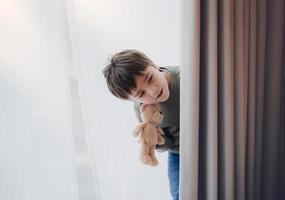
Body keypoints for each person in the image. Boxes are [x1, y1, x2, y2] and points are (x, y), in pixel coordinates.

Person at [102, 49, 180, 200]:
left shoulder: (182, 77)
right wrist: (158, 140)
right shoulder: (143, 110)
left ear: (154, 64)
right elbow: (166, 144)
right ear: (133, 100)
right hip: (179, 152)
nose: (153, 90)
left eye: (150, 78)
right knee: (179, 194)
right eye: (141, 94)